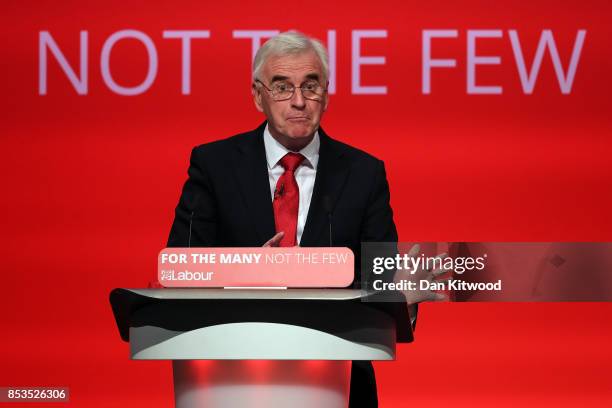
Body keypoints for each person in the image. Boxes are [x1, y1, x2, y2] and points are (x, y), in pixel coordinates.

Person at [168, 31, 399, 407]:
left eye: (311, 86)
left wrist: (399, 293)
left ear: (326, 93)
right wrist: (247, 272)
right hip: (231, 372)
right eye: (281, 87)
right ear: (258, 95)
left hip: (336, 377)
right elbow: (183, 263)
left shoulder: (364, 172)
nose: (298, 101)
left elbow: (381, 273)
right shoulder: (214, 165)